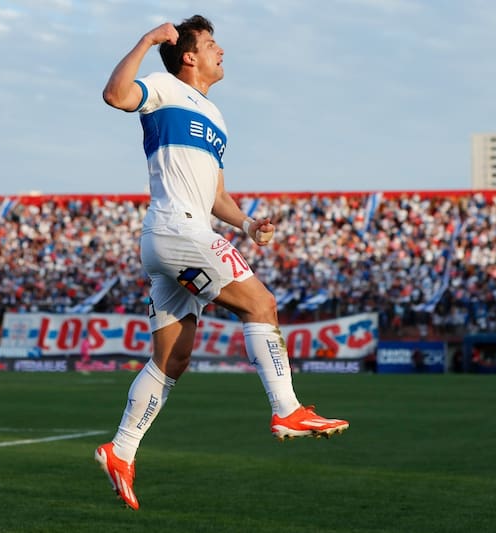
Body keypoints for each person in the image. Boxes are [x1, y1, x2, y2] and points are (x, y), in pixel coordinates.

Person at [94, 15, 349, 511]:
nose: (221, 51)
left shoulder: (215, 115)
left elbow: (217, 194)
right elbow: (114, 95)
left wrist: (248, 224)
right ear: (188, 55)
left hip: (179, 233)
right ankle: (287, 409)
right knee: (261, 304)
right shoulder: (163, 85)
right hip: (178, 229)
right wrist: (148, 40)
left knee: (173, 359)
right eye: (211, 43)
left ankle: (120, 450)